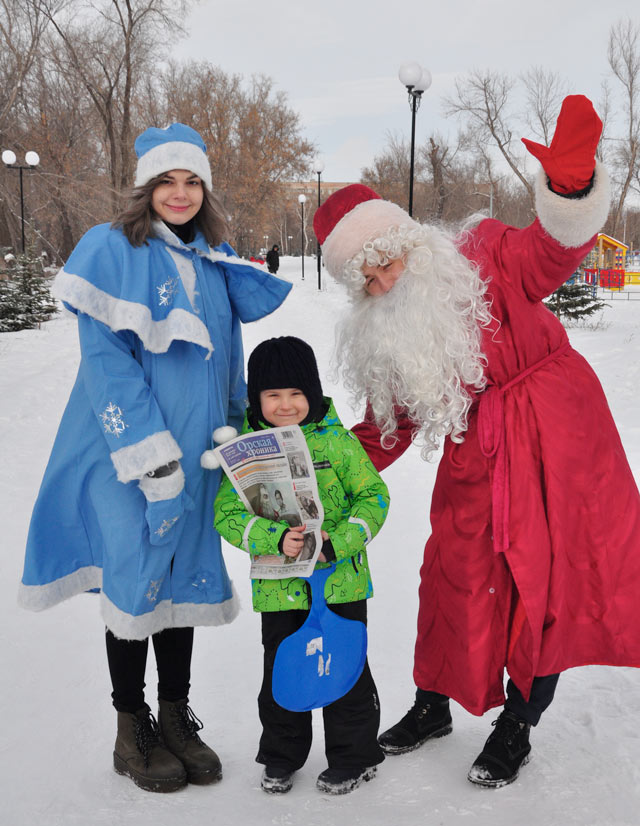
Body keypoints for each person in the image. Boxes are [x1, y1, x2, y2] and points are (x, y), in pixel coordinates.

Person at [312, 95, 640, 788]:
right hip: (475, 450)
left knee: (541, 585)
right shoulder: (389, 329)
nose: (382, 284)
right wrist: (311, 467)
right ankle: (434, 703)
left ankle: (518, 721)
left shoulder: (485, 251)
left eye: (386, 264)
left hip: (555, 436)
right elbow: (383, 427)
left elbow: (550, 254)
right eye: (366, 281)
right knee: (452, 575)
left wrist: (571, 187)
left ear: (408, 243)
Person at [18, 123, 291, 793]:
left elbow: (227, 363)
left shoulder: (211, 261)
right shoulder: (112, 251)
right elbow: (107, 366)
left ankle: (175, 716)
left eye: (191, 180)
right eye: (166, 180)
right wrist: (150, 458)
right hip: (127, 453)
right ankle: (130, 724)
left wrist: (233, 434)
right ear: (146, 188)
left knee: (183, 579)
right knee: (136, 578)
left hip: (198, 455)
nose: (179, 193)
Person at [214, 336, 390, 795]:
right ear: (257, 400)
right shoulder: (247, 453)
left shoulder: (340, 443)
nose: (286, 404)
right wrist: (274, 537)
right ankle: (281, 755)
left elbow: (375, 497)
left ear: (312, 392)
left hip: (340, 584)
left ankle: (355, 755)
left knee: (345, 668)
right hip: (280, 589)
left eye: (295, 393)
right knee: (283, 669)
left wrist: (342, 540)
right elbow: (227, 515)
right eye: (273, 395)